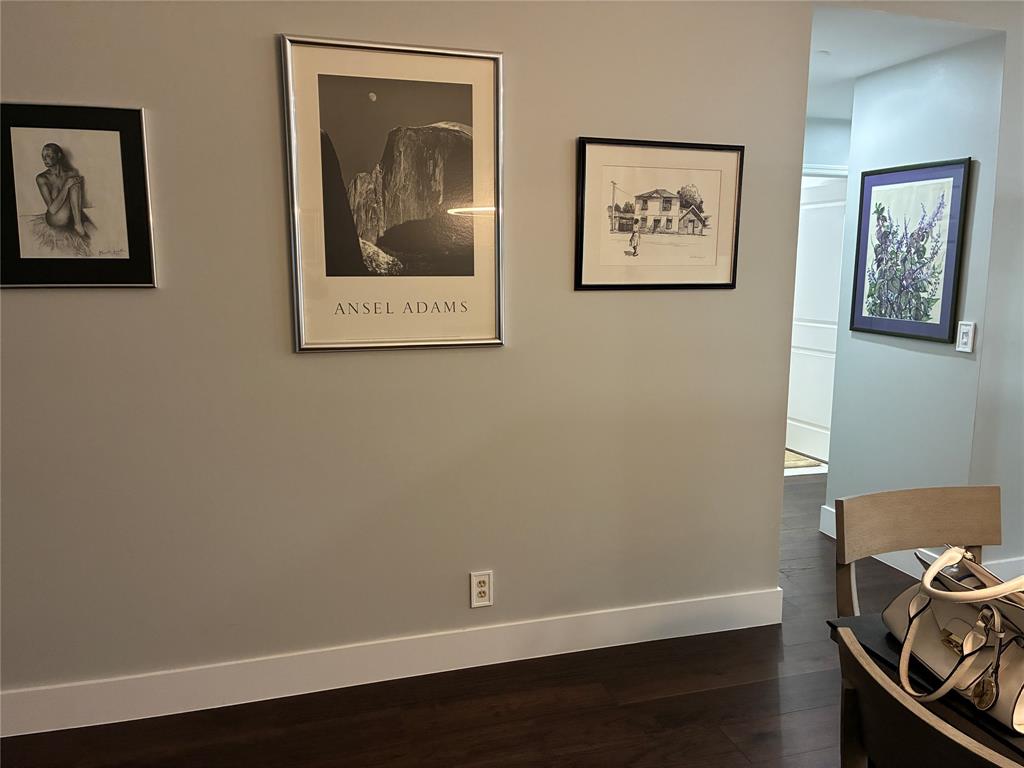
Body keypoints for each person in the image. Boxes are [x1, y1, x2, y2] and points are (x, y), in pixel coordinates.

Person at [35, 143, 88, 237]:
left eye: (48, 155)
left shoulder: (72, 172)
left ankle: (78, 224)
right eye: (43, 156)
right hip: (56, 218)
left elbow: (76, 198)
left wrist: (73, 183)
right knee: (71, 183)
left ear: (58, 155)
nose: (44, 159)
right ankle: (78, 224)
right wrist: (66, 185)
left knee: (75, 185)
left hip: (71, 215)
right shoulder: (42, 178)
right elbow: (52, 209)